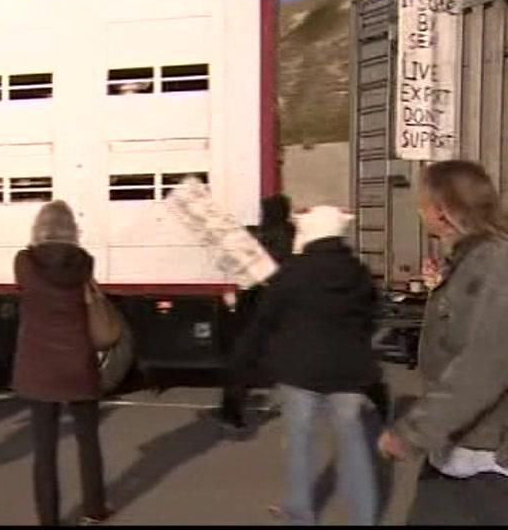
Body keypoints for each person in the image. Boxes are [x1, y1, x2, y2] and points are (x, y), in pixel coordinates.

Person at [378, 160, 508, 525]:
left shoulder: (495, 264)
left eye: (421, 200)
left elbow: (483, 366)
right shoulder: (472, 262)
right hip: (457, 451)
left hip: (486, 461)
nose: (418, 209)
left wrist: (412, 432)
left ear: (440, 210)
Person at [247, 205, 380, 525]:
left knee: (299, 442)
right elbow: (370, 314)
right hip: (348, 371)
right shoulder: (357, 271)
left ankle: (300, 512)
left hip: (301, 370)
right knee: (353, 443)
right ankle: (364, 516)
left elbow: (268, 316)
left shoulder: (295, 272)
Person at [13, 200, 112, 526]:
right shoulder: (84, 264)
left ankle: (49, 519)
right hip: (78, 363)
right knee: (88, 442)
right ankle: (94, 510)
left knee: (44, 451)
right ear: (73, 231)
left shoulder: (24, 263)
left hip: (39, 368)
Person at [212, 194, 295, 433]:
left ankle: (231, 410)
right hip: (272, 304)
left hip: (255, 303)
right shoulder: (286, 234)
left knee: (242, 359)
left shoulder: (266, 235)